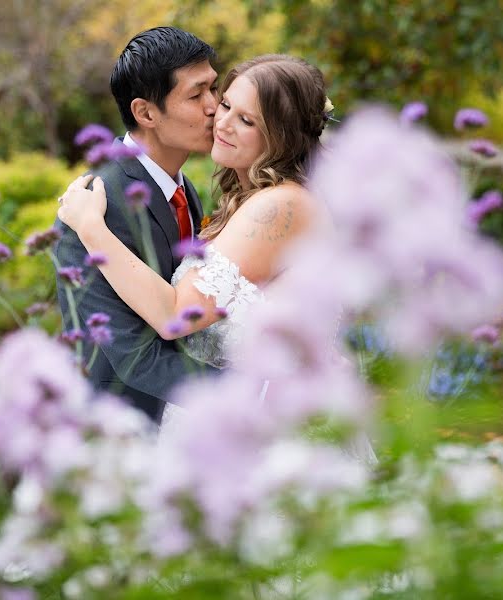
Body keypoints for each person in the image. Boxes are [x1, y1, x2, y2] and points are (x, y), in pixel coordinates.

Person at [57, 54, 333, 427]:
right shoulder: (248, 198)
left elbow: (175, 315)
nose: (221, 122)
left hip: (259, 420)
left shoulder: (278, 206)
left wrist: (92, 230)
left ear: (282, 136)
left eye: (246, 120)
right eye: (226, 104)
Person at [53, 27, 220, 424]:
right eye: (196, 96)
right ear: (146, 112)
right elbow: (133, 356)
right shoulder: (94, 205)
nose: (215, 107)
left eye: (214, 88)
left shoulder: (184, 188)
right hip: (120, 431)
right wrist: (253, 397)